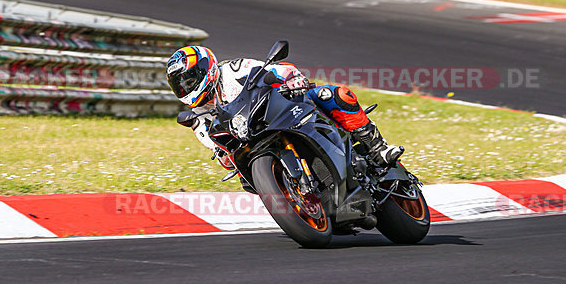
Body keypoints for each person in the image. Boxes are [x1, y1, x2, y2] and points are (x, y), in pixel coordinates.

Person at [166, 45, 404, 174]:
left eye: (189, 79)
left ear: (206, 68)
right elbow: (221, 155)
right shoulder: (199, 118)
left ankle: (377, 149)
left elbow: (278, 69)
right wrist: (223, 153)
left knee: (333, 94)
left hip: (284, 107)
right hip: (255, 141)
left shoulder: (235, 69)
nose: (187, 87)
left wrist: (292, 80)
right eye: (181, 85)